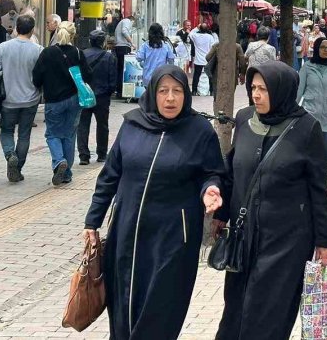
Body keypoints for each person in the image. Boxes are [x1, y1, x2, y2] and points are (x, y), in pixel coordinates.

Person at [83, 65, 225, 340]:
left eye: (177, 91)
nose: (170, 98)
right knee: (123, 302)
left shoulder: (199, 130)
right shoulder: (133, 124)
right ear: (152, 93)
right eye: (163, 91)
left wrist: (211, 189)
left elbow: (212, 172)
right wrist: (93, 220)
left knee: (160, 307)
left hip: (173, 239)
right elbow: (110, 175)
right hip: (127, 233)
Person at [212, 63, 327, 340]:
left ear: (281, 91)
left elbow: (319, 189)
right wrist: (221, 212)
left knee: (270, 313)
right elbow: (232, 171)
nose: (256, 95)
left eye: (263, 89)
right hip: (245, 238)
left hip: (287, 242)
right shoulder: (244, 120)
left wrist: (325, 240)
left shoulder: (306, 128)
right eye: (253, 88)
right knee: (235, 309)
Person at [32, 21, 93, 186]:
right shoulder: (78, 53)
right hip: (74, 99)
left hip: (53, 100)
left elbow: (36, 76)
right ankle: (66, 173)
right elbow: (88, 75)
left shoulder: (47, 53)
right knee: (69, 134)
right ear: (73, 35)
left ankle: (59, 161)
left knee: (52, 134)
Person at [0, 14, 42, 183]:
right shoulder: (38, 50)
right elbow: (41, 76)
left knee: (6, 130)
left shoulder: (3, 48)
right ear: (32, 30)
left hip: (8, 99)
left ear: (17, 28)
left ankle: (9, 154)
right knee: (24, 134)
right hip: (31, 99)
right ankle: (17, 168)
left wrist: (0, 85)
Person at [298, 37, 327, 174]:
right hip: (311, 111)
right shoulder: (307, 67)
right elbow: (299, 89)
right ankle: (315, 170)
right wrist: (292, 107)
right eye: (322, 47)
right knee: (311, 145)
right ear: (317, 49)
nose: (325, 50)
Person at [77, 30, 117, 165]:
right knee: (102, 125)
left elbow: (79, 75)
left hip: (85, 94)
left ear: (90, 41)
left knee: (83, 125)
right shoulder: (109, 57)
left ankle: (83, 155)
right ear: (103, 42)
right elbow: (113, 79)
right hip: (102, 96)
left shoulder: (82, 54)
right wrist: (109, 91)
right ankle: (102, 154)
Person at [190, 22, 218, 95]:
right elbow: (213, 46)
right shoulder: (210, 37)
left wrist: (197, 27)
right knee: (210, 76)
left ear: (200, 29)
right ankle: (212, 91)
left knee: (196, 76)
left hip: (198, 60)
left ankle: (194, 91)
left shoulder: (196, 36)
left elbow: (190, 33)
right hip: (207, 60)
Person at [114, 12, 135, 97]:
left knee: (120, 69)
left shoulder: (121, 22)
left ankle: (119, 90)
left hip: (119, 47)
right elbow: (124, 31)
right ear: (132, 20)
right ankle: (121, 91)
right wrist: (132, 42)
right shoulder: (127, 21)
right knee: (123, 70)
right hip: (123, 47)